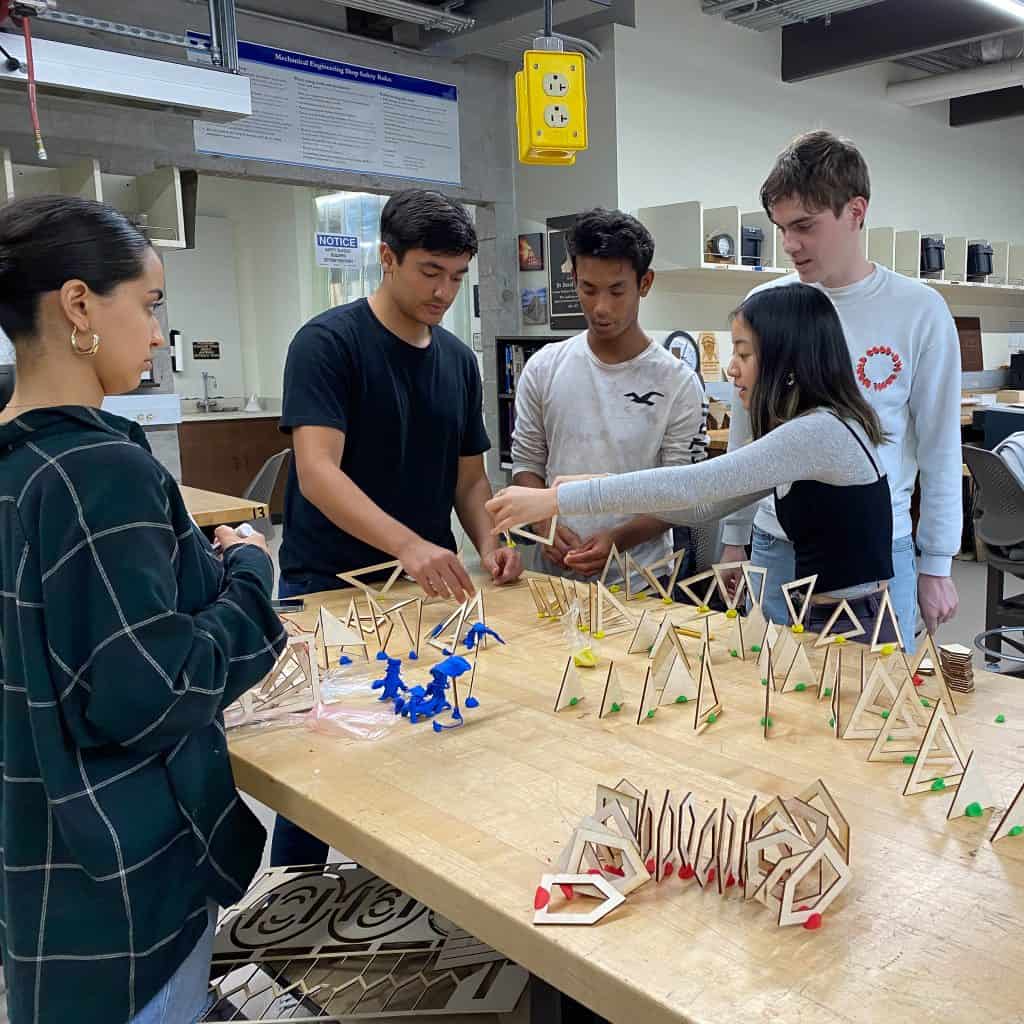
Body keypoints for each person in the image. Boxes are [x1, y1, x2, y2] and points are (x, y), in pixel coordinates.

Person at [0, 195, 287, 1024]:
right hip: (123, 871)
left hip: (41, 850)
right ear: (80, 303)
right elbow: (156, 688)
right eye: (151, 304)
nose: (160, 332)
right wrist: (251, 577)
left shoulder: (19, 461)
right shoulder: (98, 468)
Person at [273, 189, 522, 866]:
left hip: (420, 591)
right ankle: (295, 906)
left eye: (457, 278)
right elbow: (318, 472)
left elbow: (469, 479)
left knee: (421, 740)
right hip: (327, 584)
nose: (444, 292)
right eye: (429, 272)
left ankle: (408, 898)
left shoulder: (456, 361)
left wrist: (490, 544)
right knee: (320, 763)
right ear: (387, 258)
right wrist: (409, 543)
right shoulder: (328, 344)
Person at [487, 284, 900, 637]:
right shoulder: (813, 430)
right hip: (826, 617)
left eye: (743, 354)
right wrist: (583, 484)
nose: (731, 368)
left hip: (847, 626)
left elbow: (694, 485)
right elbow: (701, 506)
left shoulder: (817, 432)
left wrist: (558, 500)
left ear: (787, 363)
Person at [718, 130, 962, 641]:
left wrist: (937, 562)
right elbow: (746, 440)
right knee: (772, 706)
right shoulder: (767, 306)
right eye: (782, 228)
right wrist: (735, 538)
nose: (790, 244)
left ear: (856, 211)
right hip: (775, 543)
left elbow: (941, 447)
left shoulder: (919, 311)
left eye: (804, 226)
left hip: (876, 550)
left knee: (873, 707)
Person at [511, 208, 708, 584]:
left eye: (617, 291)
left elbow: (680, 494)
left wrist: (617, 540)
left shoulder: (677, 382)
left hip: (640, 581)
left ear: (644, 283)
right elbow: (527, 463)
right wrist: (544, 521)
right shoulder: (543, 368)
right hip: (553, 578)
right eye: (588, 289)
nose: (601, 307)